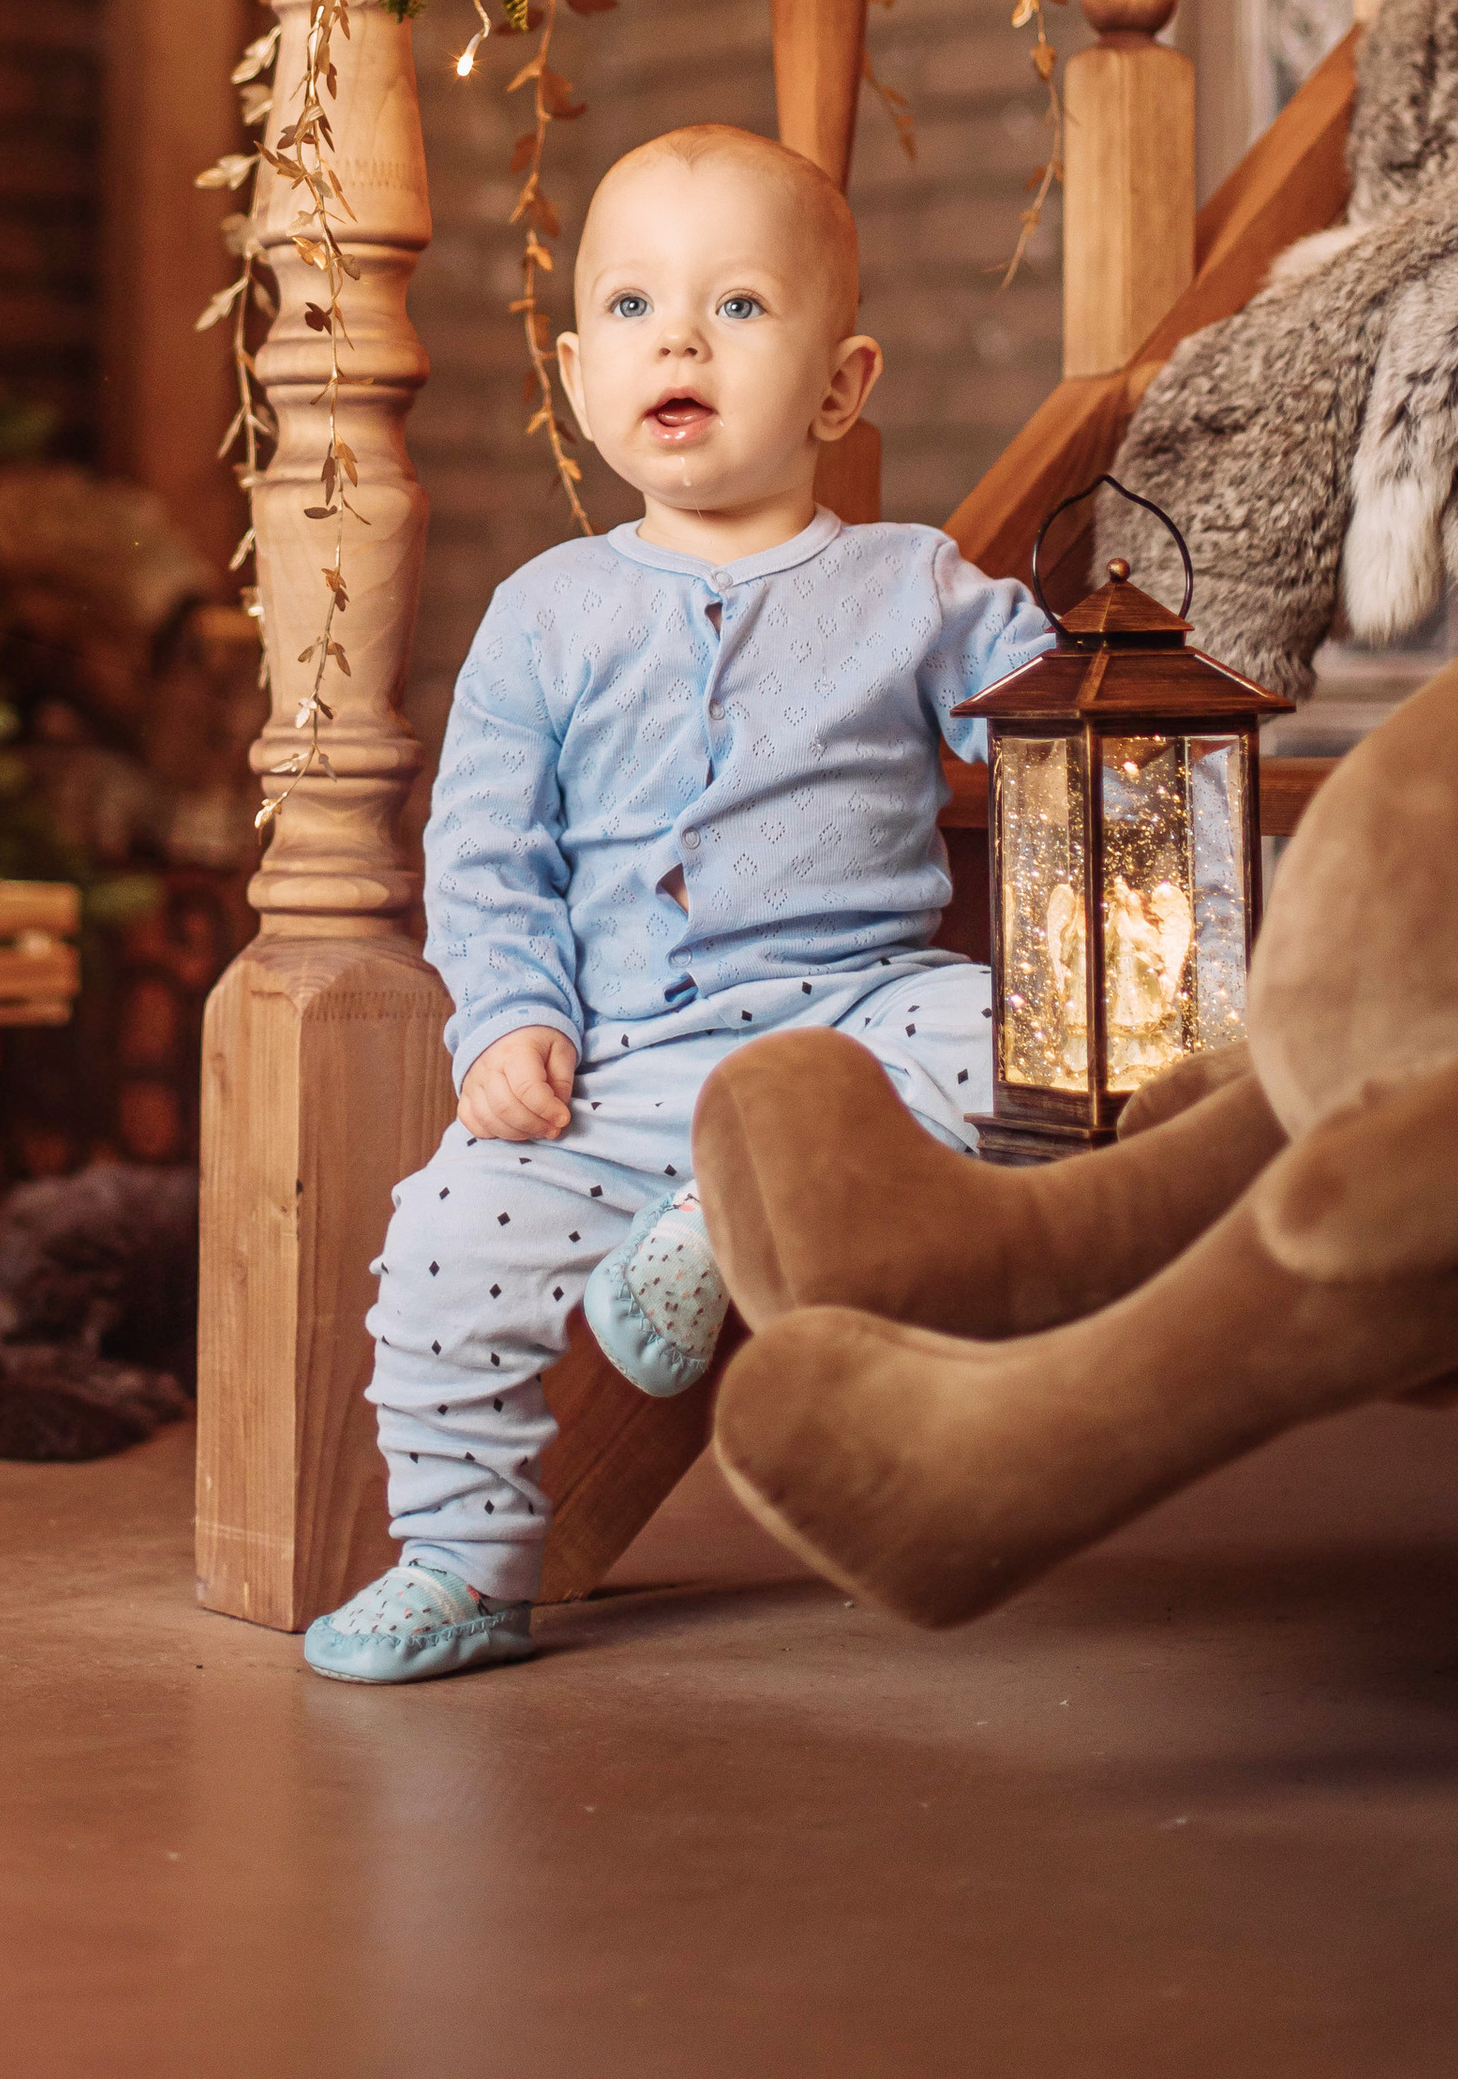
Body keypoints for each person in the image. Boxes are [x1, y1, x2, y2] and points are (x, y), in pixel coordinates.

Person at [302, 121, 1051, 1687]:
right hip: (625, 1058)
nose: (681, 340)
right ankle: (462, 1561)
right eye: (634, 310)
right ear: (581, 377)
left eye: (740, 308)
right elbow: (489, 853)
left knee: (1012, 1037)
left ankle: (729, 1225)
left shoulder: (913, 582)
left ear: (842, 387)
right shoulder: (547, 614)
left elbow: (1047, 723)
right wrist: (507, 1020)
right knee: (441, 1241)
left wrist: (1075, 671)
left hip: (855, 1026)